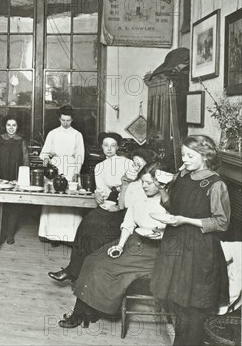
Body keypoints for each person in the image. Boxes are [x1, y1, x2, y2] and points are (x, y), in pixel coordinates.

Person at [58, 162, 169, 328]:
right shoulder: (140, 199)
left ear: (160, 184)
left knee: (103, 267)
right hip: (134, 242)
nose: (144, 186)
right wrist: (120, 246)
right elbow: (128, 223)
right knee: (91, 259)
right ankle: (89, 310)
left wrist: (162, 234)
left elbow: (176, 231)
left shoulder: (168, 204)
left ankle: (80, 313)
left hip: (153, 251)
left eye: (149, 183)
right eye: (143, 182)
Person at [151, 135, 230, 345]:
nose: (184, 159)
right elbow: (172, 207)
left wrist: (185, 220)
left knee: (194, 309)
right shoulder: (182, 175)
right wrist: (160, 188)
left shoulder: (216, 184)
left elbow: (221, 223)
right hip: (176, 245)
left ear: (205, 156)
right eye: (183, 154)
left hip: (200, 251)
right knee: (178, 305)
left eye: (189, 155)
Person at [48, 139, 155, 283]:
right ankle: (73, 270)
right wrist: (123, 186)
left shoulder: (146, 183)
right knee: (88, 221)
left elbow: (127, 208)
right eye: (134, 163)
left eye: (139, 164)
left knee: (98, 229)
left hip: (131, 218)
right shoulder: (130, 179)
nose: (135, 167)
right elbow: (121, 202)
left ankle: (81, 274)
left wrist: (117, 205)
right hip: (123, 211)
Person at [38, 105, 85, 243]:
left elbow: (80, 155)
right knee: (54, 200)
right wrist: (47, 157)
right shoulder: (53, 133)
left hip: (70, 168)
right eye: (63, 120)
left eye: (68, 121)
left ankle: (70, 237)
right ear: (59, 118)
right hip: (55, 167)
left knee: (69, 200)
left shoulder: (77, 135)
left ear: (72, 120)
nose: (65, 123)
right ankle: (51, 236)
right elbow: (44, 153)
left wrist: (76, 172)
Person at [0, 116, 29, 245]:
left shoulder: (21, 141)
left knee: (14, 206)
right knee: (1, 206)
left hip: (16, 179)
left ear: (17, 127)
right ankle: (1, 233)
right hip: (1, 178)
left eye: (14, 125)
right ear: (5, 126)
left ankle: (10, 234)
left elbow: (26, 162)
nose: (11, 128)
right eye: (8, 125)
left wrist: (20, 180)